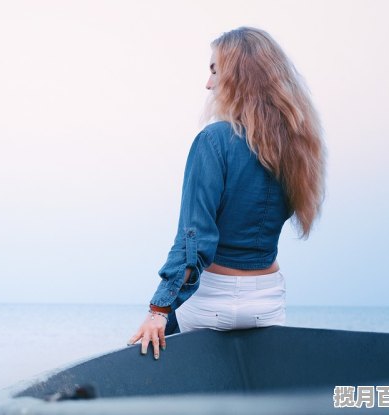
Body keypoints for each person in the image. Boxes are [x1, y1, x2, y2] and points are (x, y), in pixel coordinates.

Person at [127, 27, 325, 360]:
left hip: (212, 303)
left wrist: (158, 309)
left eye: (214, 70)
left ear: (237, 76)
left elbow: (195, 239)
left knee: (151, 356)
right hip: (267, 303)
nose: (208, 84)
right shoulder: (297, 146)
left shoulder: (214, 140)